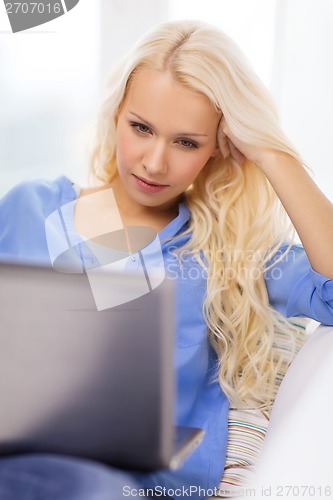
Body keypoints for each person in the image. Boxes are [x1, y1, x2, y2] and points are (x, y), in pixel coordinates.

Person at [0, 18, 333, 500]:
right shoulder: (27, 209)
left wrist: (271, 153)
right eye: (141, 128)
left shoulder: (229, 251)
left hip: (128, 485)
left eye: (186, 142)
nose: (155, 162)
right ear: (116, 115)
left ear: (219, 148)